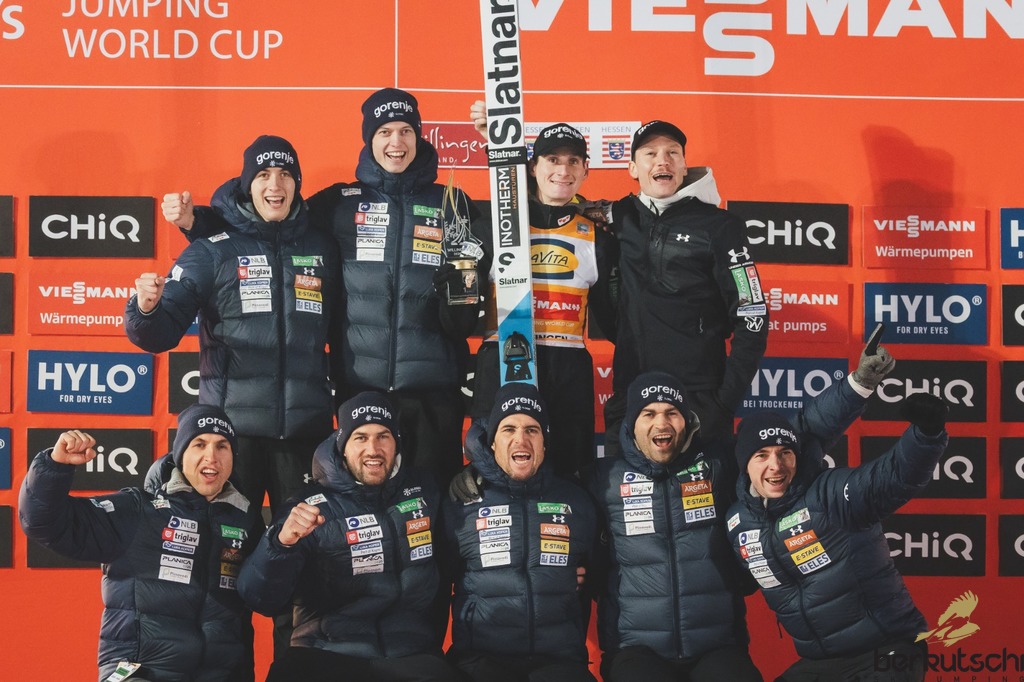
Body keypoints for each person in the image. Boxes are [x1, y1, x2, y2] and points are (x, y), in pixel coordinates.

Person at [172, 89, 484, 486]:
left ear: (419, 136)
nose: (396, 142)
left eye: (406, 131)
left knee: (430, 500)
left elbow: (477, 285)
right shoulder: (338, 203)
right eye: (385, 131)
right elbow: (264, 227)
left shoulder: (452, 204)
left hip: (433, 391)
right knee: (359, 502)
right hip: (359, 387)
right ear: (369, 138)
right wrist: (199, 224)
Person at [126, 135, 339, 523]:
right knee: (229, 547)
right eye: (263, 175)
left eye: (285, 174)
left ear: (297, 183)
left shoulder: (322, 246)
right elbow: (157, 334)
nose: (275, 185)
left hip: (305, 433)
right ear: (247, 185)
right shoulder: (213, 250)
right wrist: (146, 308)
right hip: (231, 438)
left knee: (307, 543)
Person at [19, 405, 263, 682]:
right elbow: (43, 522)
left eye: (222, 446)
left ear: (233, 456)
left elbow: (268, 596)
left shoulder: (246, 521)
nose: (212, 457)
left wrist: (283, 544)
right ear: (181, 454)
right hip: (142, 672)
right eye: (199, 444)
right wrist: (54, 466)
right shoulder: (138, 509)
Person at [727, 375, 948, 680]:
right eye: (762, 455)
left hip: (887, 648)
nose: (776, 465)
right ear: (745, 465)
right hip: (820, 661)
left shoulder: (830, 494)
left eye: (785, 453)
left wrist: (926, 435)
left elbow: (892, 478)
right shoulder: (737, 522)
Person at [236, 391, 460, 682]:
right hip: (327, 653)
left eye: (383, 437)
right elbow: (259, 598)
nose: (373, 449)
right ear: (342, 447)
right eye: (360, 438)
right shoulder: (307, 506)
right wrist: (281, 544)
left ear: (396, 443)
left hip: (410, 655)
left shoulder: (425, 491)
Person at [595, 120, 769, 455]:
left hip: (698, 401)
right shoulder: (618, 217)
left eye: (673, 153)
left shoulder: (720, 226)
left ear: (684, 166)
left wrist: (724, 402)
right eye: (650, 153)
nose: (663, 160)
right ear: (632, 168)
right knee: (621, 491)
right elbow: (552, 199)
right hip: (631, 398)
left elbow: (752, 314)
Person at [468, 105, 616, 479]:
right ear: (533, 167)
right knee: (494, 468)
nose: (563, 170)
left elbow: (616, 322)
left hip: (567, 368)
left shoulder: (597, 236)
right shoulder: (496, 226)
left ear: (585, 170)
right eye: (552, 160)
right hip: (502, 359)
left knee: (568, 473)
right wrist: (496, 139)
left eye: (573, 161)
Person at [589, 371, 763, 682]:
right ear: (632, 423)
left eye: (672, 412)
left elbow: (792, 441)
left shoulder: (719, 465)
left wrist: (854, 386)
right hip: (635, 649)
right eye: (649, 413)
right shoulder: (603, 479)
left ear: (687, 421)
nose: (662, 423)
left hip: (717, 646)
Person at [441, 383, 599, 681]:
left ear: (545, 443)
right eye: (508, 429)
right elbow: (433, 579)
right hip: (481, 660)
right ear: (492, 443)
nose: (520, 439)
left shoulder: (577, 500)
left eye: (532, 430)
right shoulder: (461, 501)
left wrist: (581, 577)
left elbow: (603, 571)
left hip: (559, 660)